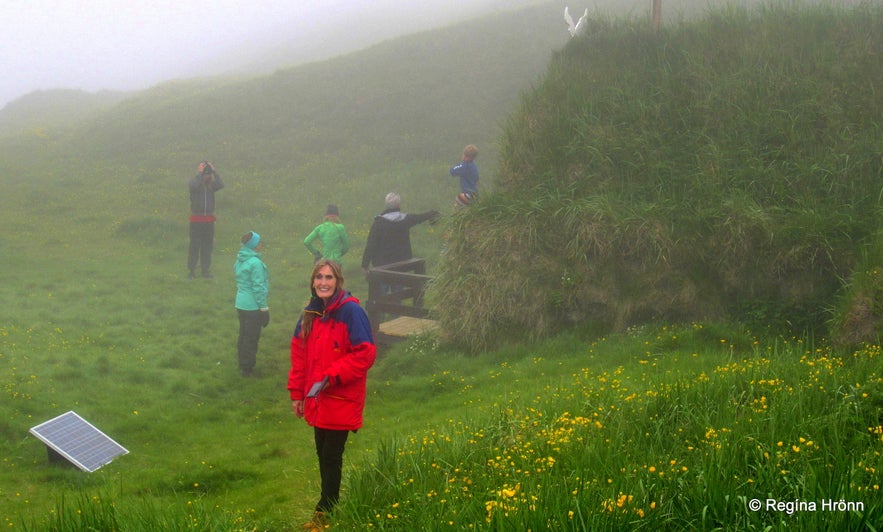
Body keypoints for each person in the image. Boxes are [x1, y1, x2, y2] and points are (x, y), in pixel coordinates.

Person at [288, 260, 376, 529]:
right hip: (317, 399)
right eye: (318, 277)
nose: (323, 282)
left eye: (328, 277)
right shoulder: (311, 313)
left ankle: (325, 513)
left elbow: (366, 353)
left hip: (340, 398)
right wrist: (297, 392)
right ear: (312, 281)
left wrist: (332, 376)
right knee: (322, 455)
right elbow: (299, 356)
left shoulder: (351, 312)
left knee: (330, 456)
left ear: (338, 281)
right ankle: (328, 508)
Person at [361, 192, 439, 272]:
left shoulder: (379, 223)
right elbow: (420, 217)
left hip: (383, 264)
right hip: (404, 262)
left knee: (374, 277)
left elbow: (371, 245)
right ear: (399, 205)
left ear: (386, 205)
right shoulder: (406, 219)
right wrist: (432, 214)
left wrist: (365, 265)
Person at [234, 231, 270, 377]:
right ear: (254, 245)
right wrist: (264, 308)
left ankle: (242, 362)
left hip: (240, 303)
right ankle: (247, 369)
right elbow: (258, 287)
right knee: (251, 337)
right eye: (260, 242)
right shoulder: (255, 263)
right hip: (253, 306)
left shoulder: (240, 259)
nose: (262, 244)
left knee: (243, 334)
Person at [188, 160, 225, 279]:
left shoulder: (211, 186)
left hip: (209, 221)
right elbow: (192, 184)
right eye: (205, 174)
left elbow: (221, 183)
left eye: (208, 174)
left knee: (207, 247)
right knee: (194, 246)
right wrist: (199, 173)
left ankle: (205, 270)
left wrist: (214, 171)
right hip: (196, 220)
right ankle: (191, 271)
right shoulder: (194, 186)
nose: (207, 176)